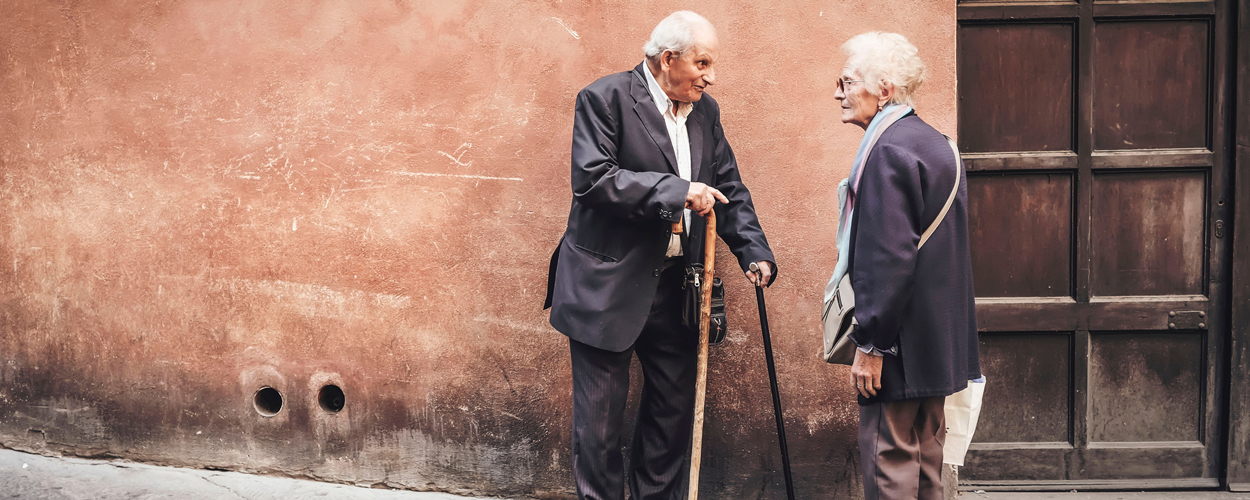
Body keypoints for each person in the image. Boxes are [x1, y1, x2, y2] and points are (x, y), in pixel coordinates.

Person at [543, 11, 777, 500]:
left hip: (677, 286)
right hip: (605, 286)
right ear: (669, 59)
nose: (711, 76)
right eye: (703, 63)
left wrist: (753, 250)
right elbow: (593, 180)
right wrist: (676, 191)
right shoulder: (604, 98)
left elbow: (727, 185)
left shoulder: (705, 112)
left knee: (672, 416)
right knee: (600, 429)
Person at [828, 32, 981, 500]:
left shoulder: (888, 150)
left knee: (890, 461)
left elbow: (888, 259)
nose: (838, 92)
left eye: (848, 81)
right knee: (928, 464)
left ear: (885, 90)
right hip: (937, 342)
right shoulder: (935, 143)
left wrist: (871, 343)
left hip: (898, 343)